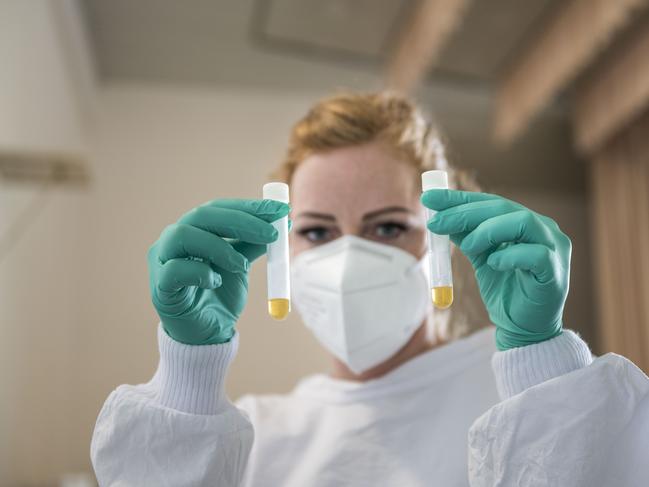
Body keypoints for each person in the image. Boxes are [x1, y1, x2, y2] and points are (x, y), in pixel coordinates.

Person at [91, 93, 649, 486]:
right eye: (316, 231)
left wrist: (539, 356)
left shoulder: (538, 400)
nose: (348, 258)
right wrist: (189, 369)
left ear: (445, 239)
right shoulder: (255, 433)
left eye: (387, 227)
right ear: (283, 251)